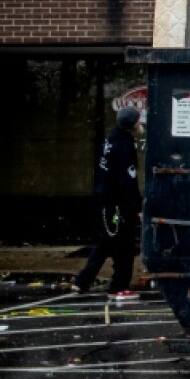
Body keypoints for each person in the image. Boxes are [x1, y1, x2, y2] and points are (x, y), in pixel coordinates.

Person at [72, 106, 143, 300]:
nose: (140, 123)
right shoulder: (125, 146)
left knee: (106, 241)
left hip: (104, 199)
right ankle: (118, 286)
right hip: (117, 203)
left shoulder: (111, 138)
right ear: (132, 123)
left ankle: (82, 281)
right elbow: (128, 180)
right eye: (138, 120)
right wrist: (137, 207)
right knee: (124, 245)